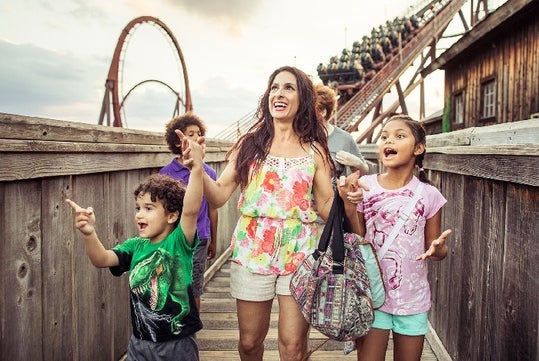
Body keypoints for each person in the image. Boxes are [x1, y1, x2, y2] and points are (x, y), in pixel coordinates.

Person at [177, 65, 361, 361]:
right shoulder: (250, 145)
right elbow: (220, 193)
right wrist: (197, 168)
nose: (279, 93)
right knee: (250, 343)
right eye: (275, 87)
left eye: (289, 87)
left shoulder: (316, 149)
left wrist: (347, 201)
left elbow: (326, 205)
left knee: (292, 347)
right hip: (253, 249)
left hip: (301, 252)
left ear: (302, 98)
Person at [65, 136, 205, 361]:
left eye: (149, 208)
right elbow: (101, 259)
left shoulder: (179, 242)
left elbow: (190, 210)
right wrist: (89, 233)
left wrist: (197, 168)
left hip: (177, 344)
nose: (140, 213)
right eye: (138, 207)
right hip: (140, 343)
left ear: (171, 216)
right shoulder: (134, 246)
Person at [354, 114, 452, 361]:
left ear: (419, 148)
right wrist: (347, 202)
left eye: (399, 136)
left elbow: (436, 250)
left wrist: (438, 248)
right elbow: (356, 237)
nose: (389, 140)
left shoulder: (429, 195)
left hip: (413, 299)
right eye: (384, 136)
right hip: (372, 296)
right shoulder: (366, 186)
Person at [160, 112, 218, 312]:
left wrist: (214, 239)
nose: (195, 137)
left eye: (199, 133)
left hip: (200, 238)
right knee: (173, 283)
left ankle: (192, 330)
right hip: (174, 239)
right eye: (190, 134)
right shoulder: (166, 174)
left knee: (194, 287)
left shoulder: (208, 173)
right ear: (178, 142)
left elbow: (213, 209)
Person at [314, 83, 369, 178]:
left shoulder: (344, 138)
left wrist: (358, 164)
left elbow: (364, 172)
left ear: (322, 112)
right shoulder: (297, 136)